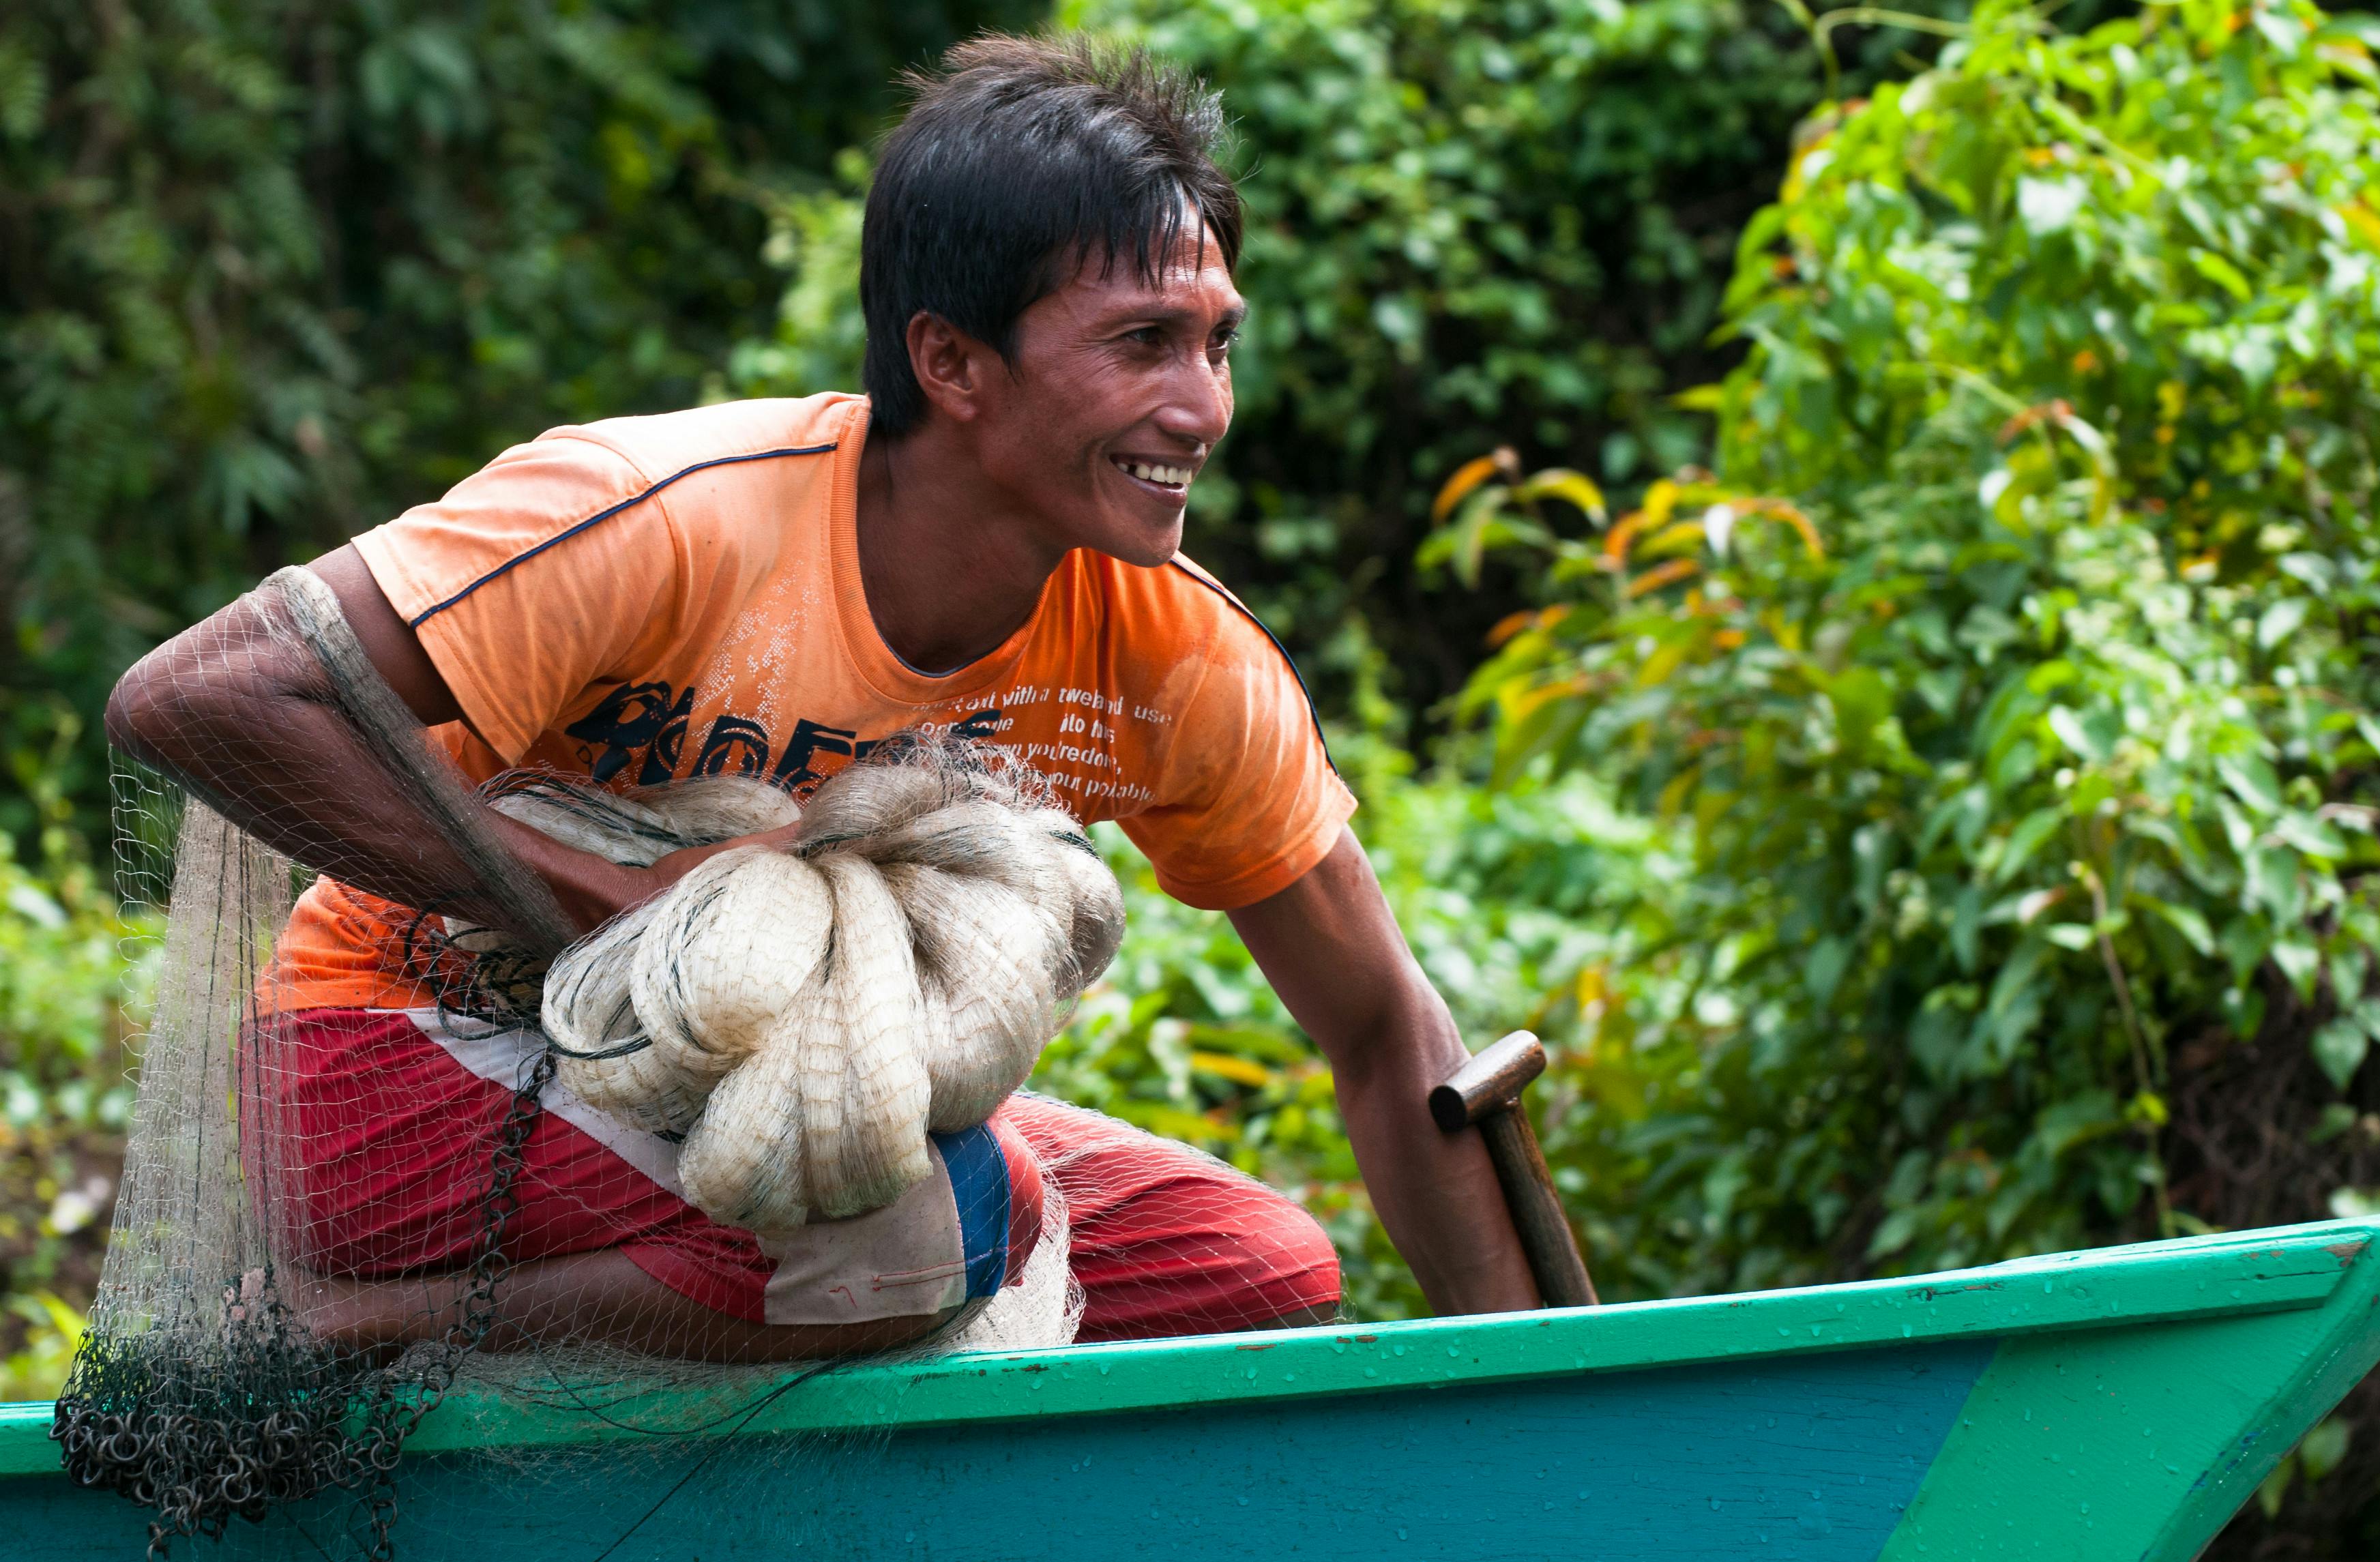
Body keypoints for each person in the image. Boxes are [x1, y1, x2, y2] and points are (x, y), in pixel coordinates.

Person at [104, 32, 1540, 1361]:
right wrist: (621, 910)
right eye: (1142, 345)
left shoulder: (1170, 652)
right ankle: (333, 1329)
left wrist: (1538, 1396)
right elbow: (200, 698)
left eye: (1216, 343)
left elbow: (1382, 1031)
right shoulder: (664, 517)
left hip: (704, 1105)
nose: (1202, 406)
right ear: (950, 362)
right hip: (388, 1062)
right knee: (951, 1222)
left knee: (1253, 1274)